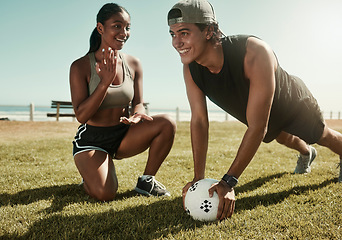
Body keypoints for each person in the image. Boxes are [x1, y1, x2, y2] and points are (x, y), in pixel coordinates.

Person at [167, 0, 342, 220]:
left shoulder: (254, 52)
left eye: (184, 33)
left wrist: (228, 181)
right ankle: (307, 153)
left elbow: (258, 126)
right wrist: (198, 178)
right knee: (282, 138)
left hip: (293, 103)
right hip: (260, 113)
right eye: (172, 34)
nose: (176, 42)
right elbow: (200, 120)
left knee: (322, 135)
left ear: (209, 30)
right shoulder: (190, 68)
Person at [69, 3, 176, 201]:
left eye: (127, 28)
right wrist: (104, 83)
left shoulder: (133, 63)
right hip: (92, 141)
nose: (124, 33)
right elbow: (81, 115)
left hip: (123, 135)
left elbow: (138, 102)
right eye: (117, 26)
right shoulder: (80, 66)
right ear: (100, 28)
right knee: (105, 194)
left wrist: (137, 113)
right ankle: (90, 177)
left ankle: (146, 181)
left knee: (167, 122)